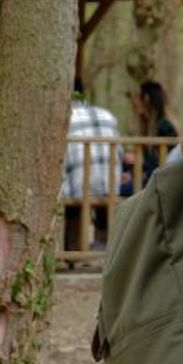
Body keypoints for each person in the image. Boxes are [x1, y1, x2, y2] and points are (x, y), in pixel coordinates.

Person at [62, 78, 122, 250]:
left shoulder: (63, 118)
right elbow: (119, 152)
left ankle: (72, 251)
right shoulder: (107, 115)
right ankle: (102, 247)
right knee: (99, 183)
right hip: (110, 188)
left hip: (77, 190)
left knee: (68, 187)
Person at [125, 80, 177, 188]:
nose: (134, 101)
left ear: (147, 100)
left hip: (159, 184)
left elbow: (164, 164)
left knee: (118, 189)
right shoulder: (147, 128)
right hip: (148, 181)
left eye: (138, 96)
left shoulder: (165, 127)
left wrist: (139, 162)